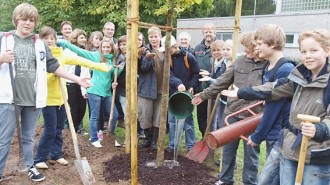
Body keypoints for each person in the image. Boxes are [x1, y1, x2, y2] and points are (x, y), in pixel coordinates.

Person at [222, 29, 330, 185]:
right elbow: (273, 89)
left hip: (316, 154)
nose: (308, 56)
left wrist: (319, 130)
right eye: (304, 51)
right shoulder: (299, 77)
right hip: (290, 148)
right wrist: (242, 92)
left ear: (327, 51)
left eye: (314, 51)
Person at [0, 3, 91, 182]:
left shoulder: (40, 44)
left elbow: (54, 66)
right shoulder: (4, 39)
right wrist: (1, 59)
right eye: (24, 19)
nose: (28, 23)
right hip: (9, 99)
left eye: (32, 20)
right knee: (4, 139)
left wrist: (77, 79)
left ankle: (29, 167)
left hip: (33, 100)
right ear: (16, 19)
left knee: (28, 138)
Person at [192, 32, 265, 185]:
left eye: (248, 48)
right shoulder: (239, 62)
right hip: (233, 113)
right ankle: (225, 179)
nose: (245, 51)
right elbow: (222, 81)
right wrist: (204, 95)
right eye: (244, 48)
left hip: (253, 117)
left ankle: (250, 182)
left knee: (251, 154)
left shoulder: (266, 65)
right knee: (228, 150)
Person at [34, 26, 110, 169]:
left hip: (62, 98)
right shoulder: (40, 55)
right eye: (46, 38)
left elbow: (82, 61)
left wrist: (101, 66)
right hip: (48, 99)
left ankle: (56, 154)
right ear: (41, 40)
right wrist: (53, 75)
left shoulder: (62, 54)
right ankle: (40, 158)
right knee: (50, 129)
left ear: (56, 40)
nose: (49, 41)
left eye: (52, 38)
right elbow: (40, 78)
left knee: (59, 128)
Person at [57, 37, 122, 148]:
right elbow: (80, 51)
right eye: (104, 47)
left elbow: (111, 76)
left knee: (114, 115)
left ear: (112, 48)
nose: (106, 49)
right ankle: (94, 138)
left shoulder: (113, 59)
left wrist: (116, 76)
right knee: (95, 116)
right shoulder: (96, 56)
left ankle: (109, 138)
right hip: (94, 90)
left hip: (107, 92)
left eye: (108, 47)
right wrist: (64, 43)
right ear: (101, 48)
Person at [164, 35, 200, 152]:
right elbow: (168, 74)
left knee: (188, 120)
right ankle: (173, 145)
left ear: (175, 46)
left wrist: (192, 86)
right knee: (172, 120)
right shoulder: (167, 58)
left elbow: (196, 73)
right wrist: (178, 83)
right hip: (173, 92)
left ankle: (191, 146)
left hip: (186, 94)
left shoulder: (188, 57)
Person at [137, 26, 163, 150]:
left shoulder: (165, 50)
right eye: (151, 37)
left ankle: (154, 141)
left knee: (158, 116)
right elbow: (142, 69)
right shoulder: (144, 50)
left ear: (160, 37)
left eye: (155, 36)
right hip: (146, 89)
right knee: (145, 115)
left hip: (161, 89)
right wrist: (146, 58)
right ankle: (148, 138)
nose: (153, 39)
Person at [194, 22, 217, 138]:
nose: (208, 34)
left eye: (210, 31)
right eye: (206, 31)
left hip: (214, 87)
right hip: (201, 87)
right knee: (201, 115)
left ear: (215, 32)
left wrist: (210, 75)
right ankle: (204, 136)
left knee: (213, 116)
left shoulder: (218, 47)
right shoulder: (198, 48)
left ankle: (213, 138)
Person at [65, 29, 89, 134]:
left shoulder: (85, 52)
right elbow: (65, 67)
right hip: (70, 83)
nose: (84, 40)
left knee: (82, 109)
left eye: (84, 37)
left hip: (82, 83)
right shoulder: (68, 51)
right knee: (74, 108)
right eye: (81, 37)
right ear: (75, 39)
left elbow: (86, 69)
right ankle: (72, 130)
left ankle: (75, 128)